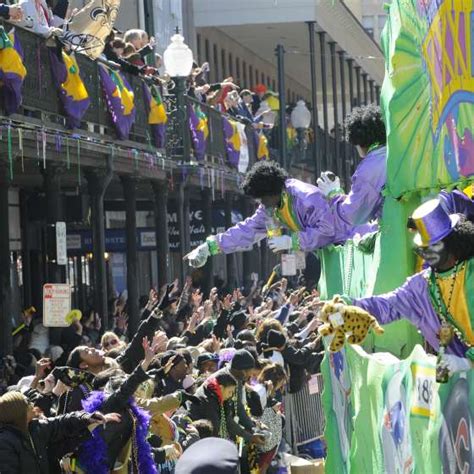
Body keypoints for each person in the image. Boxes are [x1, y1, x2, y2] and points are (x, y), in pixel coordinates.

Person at [347, 199, 474, 375]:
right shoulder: (422, 285)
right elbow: (387, 306)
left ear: (450, 243)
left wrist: (467, 362)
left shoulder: (471, 272)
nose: (423, 254)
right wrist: (347, 307)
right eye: (421, 248)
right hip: (460, 384)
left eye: (430, 247)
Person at [185, 161, 336, 267]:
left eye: (263, 198)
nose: (262, 203)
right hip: (328, 257)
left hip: (345, 249)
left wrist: (292, 241)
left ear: (271, 192)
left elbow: (328, 231)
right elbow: (246, 231)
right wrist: (208, 247)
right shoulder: (271, 206)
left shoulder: (306, 197)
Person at [0, 390, 120, 474]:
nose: (32, 404)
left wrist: (86, 417)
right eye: (27, 403)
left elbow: (62, 422)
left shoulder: (35, 428)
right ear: (19, 413)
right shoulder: (5, 442)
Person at [186, 371, 238, 438]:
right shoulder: (208, 399)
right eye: (229, 392)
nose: (231, 395)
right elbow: (215, 428)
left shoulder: (215, 395)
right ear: (221, 388)